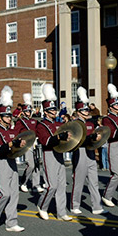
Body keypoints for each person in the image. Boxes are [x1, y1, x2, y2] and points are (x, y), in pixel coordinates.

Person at [0, 86, 26, 232]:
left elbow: (17, 141)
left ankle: (11, 222)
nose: (9, 118)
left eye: (10, 116)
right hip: (1, 162)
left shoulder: (11, 130)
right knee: (5, 193)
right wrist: (11, 143)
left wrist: (20, 143)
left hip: (12, 161)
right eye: (6, 116)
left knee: (14, 194)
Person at [35, 84, 73, 222]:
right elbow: (45, 141)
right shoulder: (41, 125)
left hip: (59, 153)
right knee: (52, 185)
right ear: (46, 112)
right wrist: (59, 137)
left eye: (54, 110)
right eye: (51, 110)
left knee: (62, 184)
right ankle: (42, 206)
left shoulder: (57, 124)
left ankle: (61, 212)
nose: (54, 112)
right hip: (49, 154)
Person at [69, 87, 106, 215]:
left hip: (90, 150)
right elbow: (77, 140)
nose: (87, 112)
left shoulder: (90, 123)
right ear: (79, 112)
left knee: (94, 181)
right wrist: (91, 137)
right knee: (79, 180)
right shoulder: (75, 124)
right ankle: (74, 205)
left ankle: (97, 206)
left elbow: (94, 134)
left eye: (87, 109)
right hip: (80, 151)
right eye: (84, 110)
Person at [16, 94, 42, 194]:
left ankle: (36, 184)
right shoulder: (20, 122)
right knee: (30, 165)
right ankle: (23, 182)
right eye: (26, 111)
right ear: (23, 112)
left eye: (29, 111)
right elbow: (17, 133)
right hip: (26, 144)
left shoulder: (33, 121)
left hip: (34, 143)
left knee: (37, 164)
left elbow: (37, 131)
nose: (28, 113)